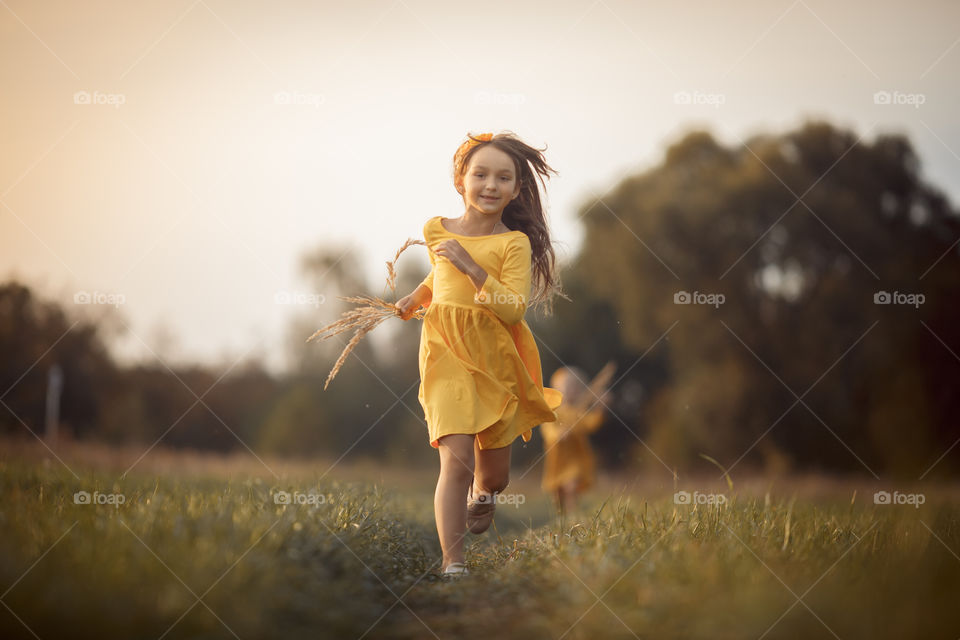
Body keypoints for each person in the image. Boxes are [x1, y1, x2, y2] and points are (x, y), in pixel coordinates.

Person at [395, 131, 565, 578]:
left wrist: (473, 268)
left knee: (493, 476)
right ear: (461, 180)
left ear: (515, 190)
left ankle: (484, 494)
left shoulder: (513, 244)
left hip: (494, 358)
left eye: (503, 178)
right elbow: (437, 277)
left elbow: (513, 308)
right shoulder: (436, 229)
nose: (490, 185)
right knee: (456, 461)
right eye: (481, 174)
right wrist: (415, 298)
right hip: (444, 352)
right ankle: (454, 565)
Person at [540, 362, 616, 518]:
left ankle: (573, 515)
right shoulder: (553, 412)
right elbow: (547, 429)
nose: (570, 391)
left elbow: (591, 424)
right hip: (558, 460)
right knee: (558, 492)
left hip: (576, 458)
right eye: (566, 387)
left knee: (572, 485)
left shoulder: (579, 412)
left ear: (581, 390)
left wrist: (601, 407)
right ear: (557, 390)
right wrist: (558, 434)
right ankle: (562, 517)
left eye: (574, 387)